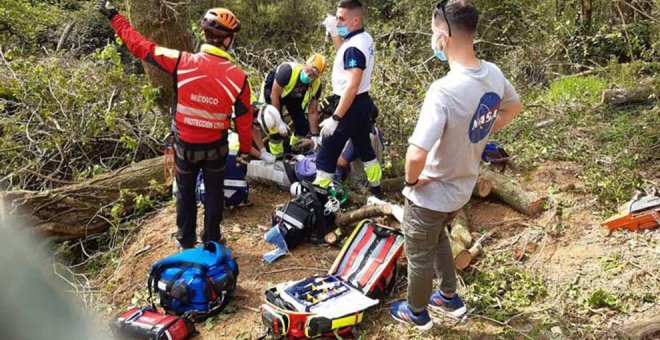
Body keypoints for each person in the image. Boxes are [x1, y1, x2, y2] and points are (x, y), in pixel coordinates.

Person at [389, 0, 522, 330]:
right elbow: (513, 107)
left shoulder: (444, 90)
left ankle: (415, 311)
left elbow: (416, 153)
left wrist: (410, 181)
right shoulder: (492, 73)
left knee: (419, 252)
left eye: (433, 31)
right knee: (437, 240)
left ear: (444, 35)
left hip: (431, 192)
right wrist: (480, 130)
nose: (433, 38)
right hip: (462, 188)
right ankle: (449, 297)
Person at [96, 1, 253, 249]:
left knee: (185, 191)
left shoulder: (181, 61)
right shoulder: (239, 78)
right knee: (213, 193)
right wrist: (245, 150)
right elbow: (245, 119)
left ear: (204, 34)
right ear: (228, 40)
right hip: (216, 147)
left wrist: (115, 17)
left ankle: (185, 240)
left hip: (186, 145)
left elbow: (141, 47)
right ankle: (212, 239)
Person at [317, 0, 382, 197]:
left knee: (328, 149)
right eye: (336, 18)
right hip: (363, 103)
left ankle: (318, 195)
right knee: (364, 147)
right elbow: (342, 53)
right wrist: (334, 32)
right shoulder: (363, 38)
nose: (338, 22)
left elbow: (352, 86)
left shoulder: (355, 47)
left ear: (355, 20)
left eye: (341, 19)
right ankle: (376, 189)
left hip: (349, 104)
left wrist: (335, 118)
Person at [256, 54, 327, 157]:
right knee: (274, 126)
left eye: (313, 75)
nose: (309, 75)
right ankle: (278, 156)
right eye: (309, 70)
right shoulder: (288, 71)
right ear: (305, 64)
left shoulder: (316, 85)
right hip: (272, 92)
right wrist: (279, 121)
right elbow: (274, 95)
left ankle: (294, 148)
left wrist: (315, 135)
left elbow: (313, 111)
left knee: (302, 125)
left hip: (293, 96)